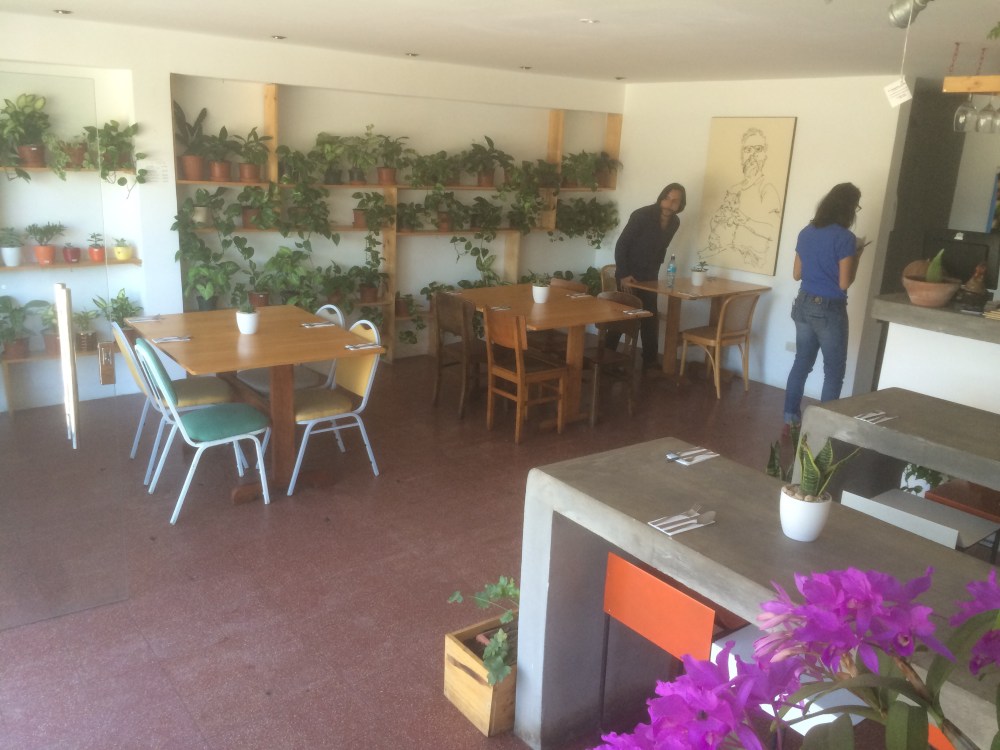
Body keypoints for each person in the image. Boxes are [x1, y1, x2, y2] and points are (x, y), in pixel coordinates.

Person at [782, 182, 868, 433]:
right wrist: (857, 256)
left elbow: (796, 274)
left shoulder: (806, 232)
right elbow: (844, 283)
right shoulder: (845, 238)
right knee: (833, 371)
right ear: (849, 208)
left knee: (802, 362)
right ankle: (823, 427)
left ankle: (790, 417)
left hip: (803, 303)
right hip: (829, 309)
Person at [611, 183, 686, 370]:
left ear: (681, 204)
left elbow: (662, 248)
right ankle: (606, 356)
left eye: (675, 201)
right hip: (628, 274)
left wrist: (655, 272)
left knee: (650, 317)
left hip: (650, 276)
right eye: (667, 198)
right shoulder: (641, 215)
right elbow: (622, 245)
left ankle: (650, 361)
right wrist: (624, 275)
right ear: (661, 198)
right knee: (622, 317)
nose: (669, 204)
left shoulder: (675, 222)